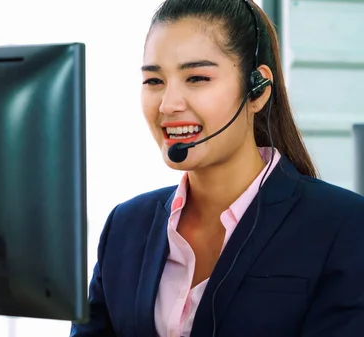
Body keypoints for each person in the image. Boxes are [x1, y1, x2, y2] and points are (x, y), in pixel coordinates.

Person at [70, 0, 364, 336]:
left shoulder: (344, 226)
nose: (168, 104)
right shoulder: (125, 226)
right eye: (154, 81)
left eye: (196, 77)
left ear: (257, 90)